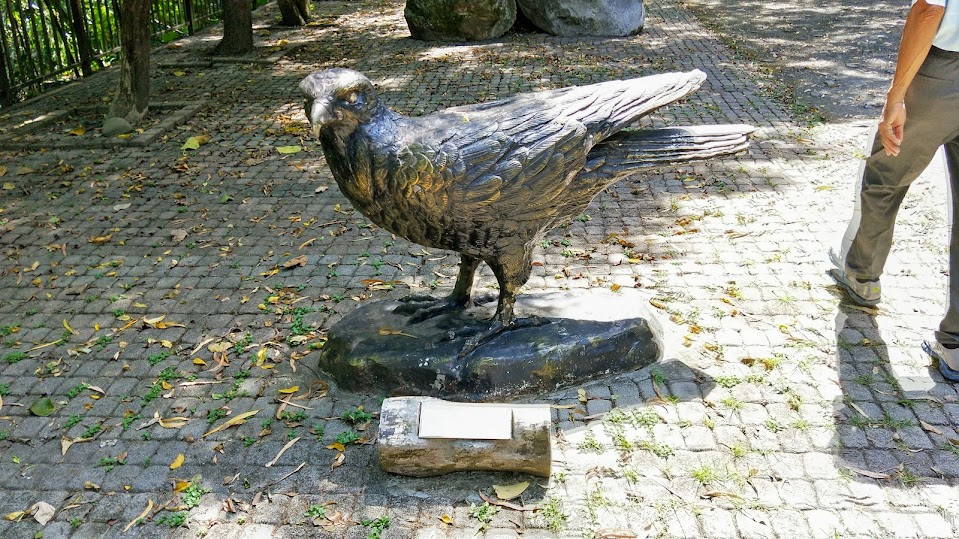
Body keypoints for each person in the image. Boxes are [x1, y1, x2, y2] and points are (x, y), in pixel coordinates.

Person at [829, 0, 959, 382]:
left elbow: (929, 10)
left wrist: (897, 95)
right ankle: (956, 345)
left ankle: (863, 278)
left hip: (941, 76)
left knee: (886, 177)